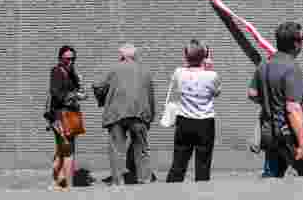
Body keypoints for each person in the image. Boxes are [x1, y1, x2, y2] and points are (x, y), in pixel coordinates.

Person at [248, 22, 303, 178]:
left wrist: (270, 101)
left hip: (269, 132)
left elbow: (252, 93)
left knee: (271, 177)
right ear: (295, 43)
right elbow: (293, 108)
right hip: (289, 135)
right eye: (302, 38)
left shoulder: (264, 65)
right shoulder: (292, 68)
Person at [92, 44, 154, 186]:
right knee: (142, 148)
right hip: (139, 114)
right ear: (135, 55)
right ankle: (144, 179)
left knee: (116, 149)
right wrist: (150, 116)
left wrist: (97, 93)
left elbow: (100, 88)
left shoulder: (114, 69)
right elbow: (150, 95)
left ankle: (117, 180)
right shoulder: (144, 70)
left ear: (121, 56)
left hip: (116, 114)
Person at [165, 40, 221, 182]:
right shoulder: (212, 76)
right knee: (203, 163)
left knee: (179, 161)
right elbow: (216, 93)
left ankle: (171, 192)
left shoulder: (179, 73)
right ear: (204, 57)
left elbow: (182, 71)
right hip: (205, 122)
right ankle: (201, 198)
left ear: (186, 56)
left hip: (184, 121)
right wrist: (208, 67)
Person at [46, 45, 85, 191]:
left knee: (62, 150)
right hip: (60, 115)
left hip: (71, 114)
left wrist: (80, 88)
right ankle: (67, 184)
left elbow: (79, 92)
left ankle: (57, 182)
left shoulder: (72, 73)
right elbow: (56, 93)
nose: (71, 61)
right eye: (67, 59)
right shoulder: (57, 71)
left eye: (73, 58)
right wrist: (74, 95)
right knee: (67, 150)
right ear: (60, 58)